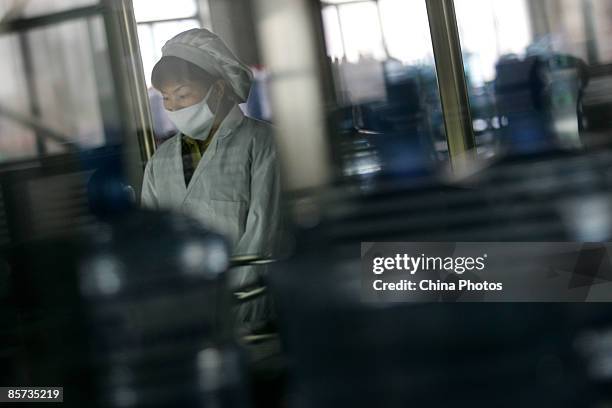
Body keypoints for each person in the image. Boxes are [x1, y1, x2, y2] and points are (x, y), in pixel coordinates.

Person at [141, 29, 281, 294]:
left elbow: (263, 237)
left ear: (218, 89)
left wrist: (228, 308)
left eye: (182, 95)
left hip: (249, 306)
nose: (173, 108)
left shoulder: (262, 143)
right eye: (166, 98)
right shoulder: (160, 162)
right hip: (186, 312)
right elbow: (151, 241)